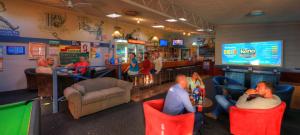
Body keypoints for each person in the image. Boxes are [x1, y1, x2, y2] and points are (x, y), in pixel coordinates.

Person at [206, 81, 281, 120]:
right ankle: (215, 113)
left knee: (218, 97)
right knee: (229, 99)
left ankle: (224, 98)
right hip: (249, 109)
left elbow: (239, 105)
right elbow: (260, 101)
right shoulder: (276, 98)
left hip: (238, 112)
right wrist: (256, 95)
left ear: (267, 90)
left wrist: (246, 93)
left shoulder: (259, 101)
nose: (256, 88)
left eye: (259, 87)